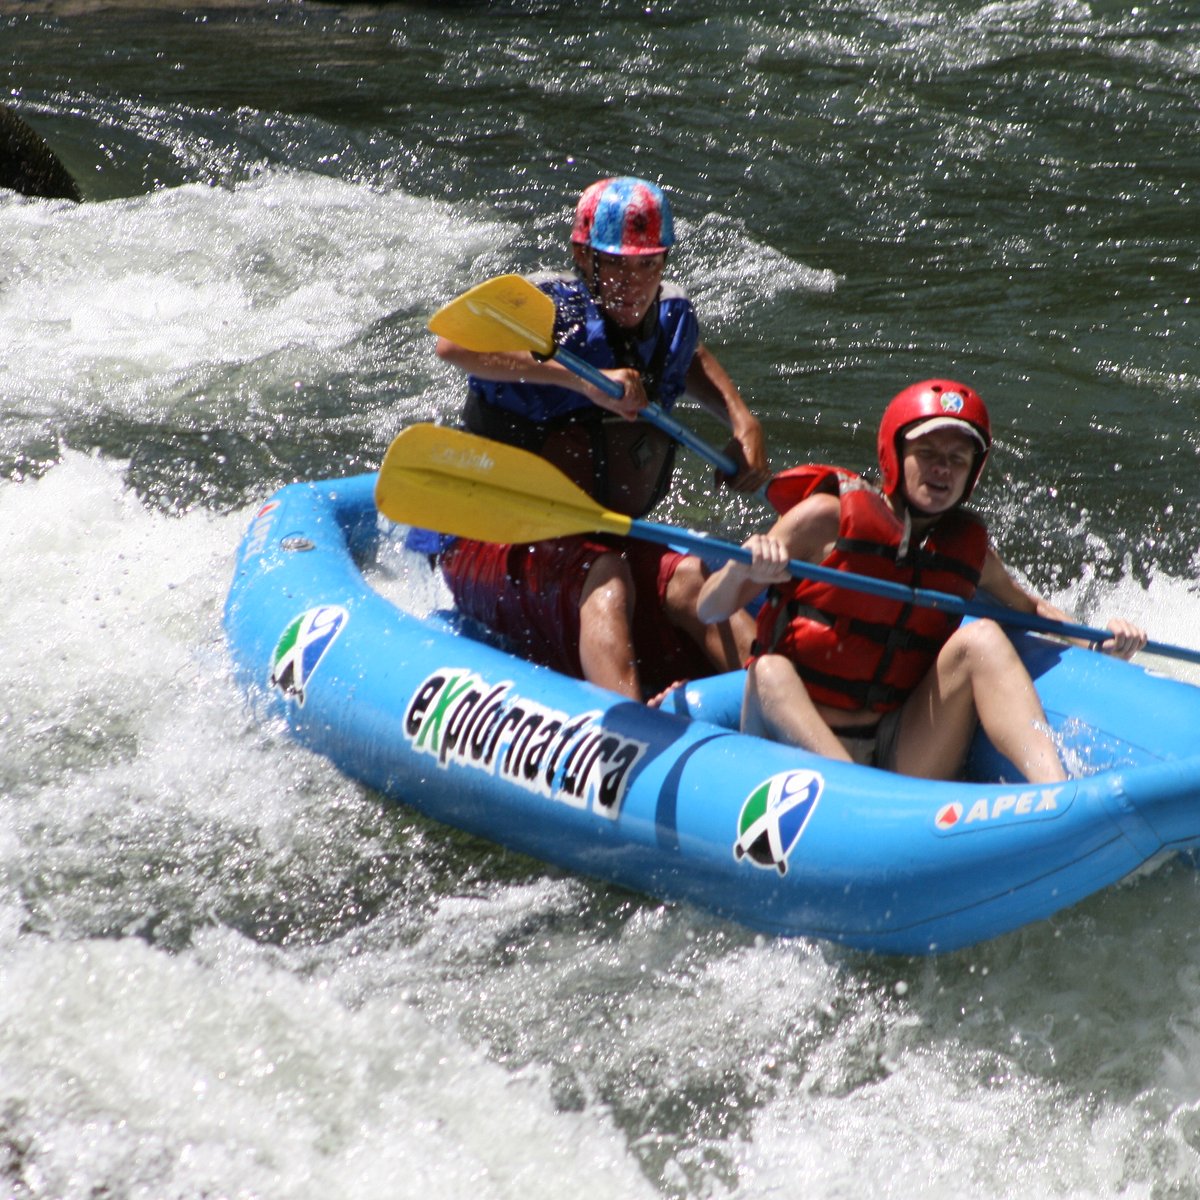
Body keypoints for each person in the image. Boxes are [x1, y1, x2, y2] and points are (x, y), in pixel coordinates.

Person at [696, 379, 1147, 782]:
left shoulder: (967, 550)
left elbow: (1029, 610)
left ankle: (1055, 794)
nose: (942, 470)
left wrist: (1098, 643)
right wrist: (744, 567)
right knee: (770, 672)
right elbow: (709, 608)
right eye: (927, 454)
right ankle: (859, 795)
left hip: (894, 744)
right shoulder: (824, 519)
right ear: (895, 456)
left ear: (972, 472)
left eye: (957, 459)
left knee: (983, 639)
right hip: (787, 740)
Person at [430, 175, 770, 701]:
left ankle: (782, 708)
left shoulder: (668, 315)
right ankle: (630, 742)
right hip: (492, 536)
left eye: (647, 265)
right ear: (584, 258)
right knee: (606, 574)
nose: (633, 283)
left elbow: (690, 353)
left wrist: (740, 418)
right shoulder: (552, 316)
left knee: (691, 582)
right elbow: (452, 345)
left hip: (590, 533)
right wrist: (581, 381)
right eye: (616, 264)